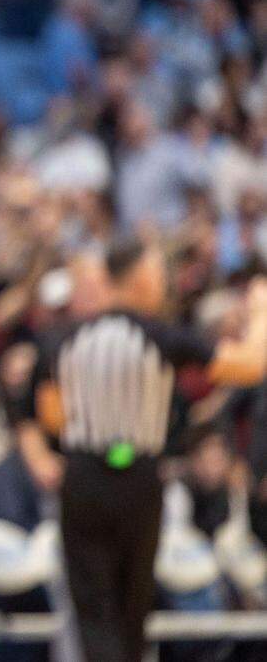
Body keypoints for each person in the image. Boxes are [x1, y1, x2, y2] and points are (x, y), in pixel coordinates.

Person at [34, 237, 267, 662]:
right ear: (140, 275)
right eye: (158, 271)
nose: (163, 281)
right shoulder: (160, 336)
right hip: (139, 478)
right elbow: (251, 365)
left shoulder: (63, 340)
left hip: (83, 476)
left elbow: (49, 415)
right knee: (132, 609)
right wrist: (260, 312)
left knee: (93, 610)